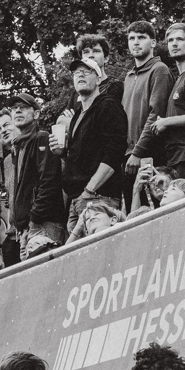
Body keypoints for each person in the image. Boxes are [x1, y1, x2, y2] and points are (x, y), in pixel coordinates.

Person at [51, 57, 128, 236]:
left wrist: (90, 189)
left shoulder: (108, 105)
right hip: (77, 199)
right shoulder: (78, 114)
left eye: (87, 71)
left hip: (99, 197)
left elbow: (114, 153)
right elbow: (81, 156)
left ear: (99, 79)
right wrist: (61, 153)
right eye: (77, 72)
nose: (81, 75)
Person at [134, 22, 185, 181]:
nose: (174, 44)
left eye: (179, 39)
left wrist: (167, 121)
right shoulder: (180, 77)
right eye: (170, 41)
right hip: (175, 158)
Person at [0, 98, 64, 261]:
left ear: (37, 114)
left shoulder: (42, 138)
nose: (17, 111)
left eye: (23, 107)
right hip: (27, 228)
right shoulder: (17, 150)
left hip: (44, 223)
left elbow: (49, 182)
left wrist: (33, 219)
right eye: (14, 108)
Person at [120, 22, 171, 180]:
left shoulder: (159, 70)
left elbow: (156, 114)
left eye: (141, 37)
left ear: (153, 42)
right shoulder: (128, 77)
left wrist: (138, 152)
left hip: (150, 155)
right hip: (128, 156)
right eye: (132, 38)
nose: (135, 42)